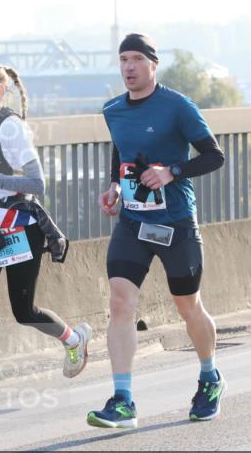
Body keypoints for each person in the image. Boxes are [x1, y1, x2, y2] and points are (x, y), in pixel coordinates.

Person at [88, 33, 227, 429]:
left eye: (136, 59)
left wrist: (172, 172)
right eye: (123, 60)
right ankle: (123, 400)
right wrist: (115, 187)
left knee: (188, 306)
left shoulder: (178, 106)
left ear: (153, 64)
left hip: (175, 223)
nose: (129, 67)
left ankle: (210, 378)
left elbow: (214, 155)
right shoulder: (113, 110)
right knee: (120, 302)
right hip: (133, 221)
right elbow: (121, 150)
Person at [0, 62, 91, 421]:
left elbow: (36, 183)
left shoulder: (12, 127)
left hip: (19, 226)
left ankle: (74, 340)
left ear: (0, 91)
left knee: (24, 310)